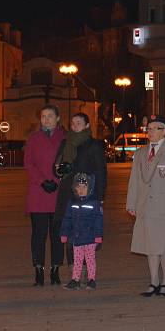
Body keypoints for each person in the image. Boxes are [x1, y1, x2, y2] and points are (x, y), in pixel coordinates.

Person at [126, 114, 165, 297]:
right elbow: (134, 180)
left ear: (164, 131)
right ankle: (154, 281)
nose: (150, 132)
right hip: (146, 206)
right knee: (150, 245)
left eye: (154, 128)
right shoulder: (141, 153)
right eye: (148, 129)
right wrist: (131, 202)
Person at [54, 112, 107, 274]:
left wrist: (100, 196)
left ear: (87, 125)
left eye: (78, 122)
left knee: (86, 230)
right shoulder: (66, 143)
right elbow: (56, 167)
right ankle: (74, 269)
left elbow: (101, 171)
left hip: (87, 194)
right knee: (70, 229)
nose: (75, 125)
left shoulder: (93, 145)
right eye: (73, 122)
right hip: (68, 192)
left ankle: (86, 268)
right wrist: (61, 169)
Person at [24, 104, 66, 286]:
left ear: (57, 118)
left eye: (50, 116)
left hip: (58, 193)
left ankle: (55, 269)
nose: (46, 119)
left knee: (57, 234)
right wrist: (42, 181)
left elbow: (68, 163)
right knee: (38, 234)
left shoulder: (65, 138)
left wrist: (56, 180)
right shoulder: (33, 139)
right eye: (43, 116)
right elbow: (29, 164)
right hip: (38, 193)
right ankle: (39, 269)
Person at [60, 173, 103, 291]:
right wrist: (64, 233)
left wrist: (98, 236)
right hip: (77, 237)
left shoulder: (94, 203)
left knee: (90, 260)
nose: (81, 190)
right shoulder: (72, 202)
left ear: (89, 188)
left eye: (84, 187)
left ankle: (91, 279)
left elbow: (98, 220)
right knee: (77, 259)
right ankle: (75, 280)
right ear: (75, 188)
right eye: (78, 187)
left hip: (90, 238)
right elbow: (67, 218)